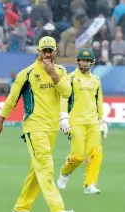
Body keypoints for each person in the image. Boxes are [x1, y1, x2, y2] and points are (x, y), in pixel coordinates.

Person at [0, 36, 76, 212]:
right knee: (46, 167)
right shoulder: (27, 73)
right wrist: (0, 120)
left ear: (55, 52)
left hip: (51, 127)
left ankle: (21, 207)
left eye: (50, 50)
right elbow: (12, 98)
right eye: (44, 50)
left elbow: (67, 93)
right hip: (34, 126)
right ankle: (57, 210)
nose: (47, 54)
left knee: (36, 170)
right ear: (39, 51)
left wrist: (54, 75)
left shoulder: (61, 71)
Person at [57, 48, 108, 194]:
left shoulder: (96, 80)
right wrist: (63, 117)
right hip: (76, 122)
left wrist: (102, 120)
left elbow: (99, 101)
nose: (85, 63)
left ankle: (89, 184)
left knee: (96, 152)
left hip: (92, 122)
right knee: (78, 156)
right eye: (82, 60)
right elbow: (64, 97)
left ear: (92, 62)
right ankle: (65, 173)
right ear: (78, 61)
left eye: (88, 61)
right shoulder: (70, 78)